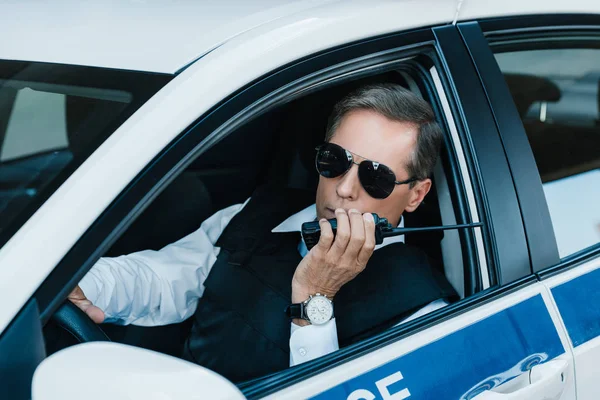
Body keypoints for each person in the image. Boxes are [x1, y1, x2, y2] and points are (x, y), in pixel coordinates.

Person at [69, 83, 457, 382]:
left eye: (375, 177)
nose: (343, 188)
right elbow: (165, 277)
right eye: (335, 161)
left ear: (415, 195)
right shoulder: (256, 214)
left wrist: (315, 299)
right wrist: (83, 284)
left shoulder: (421, 313)